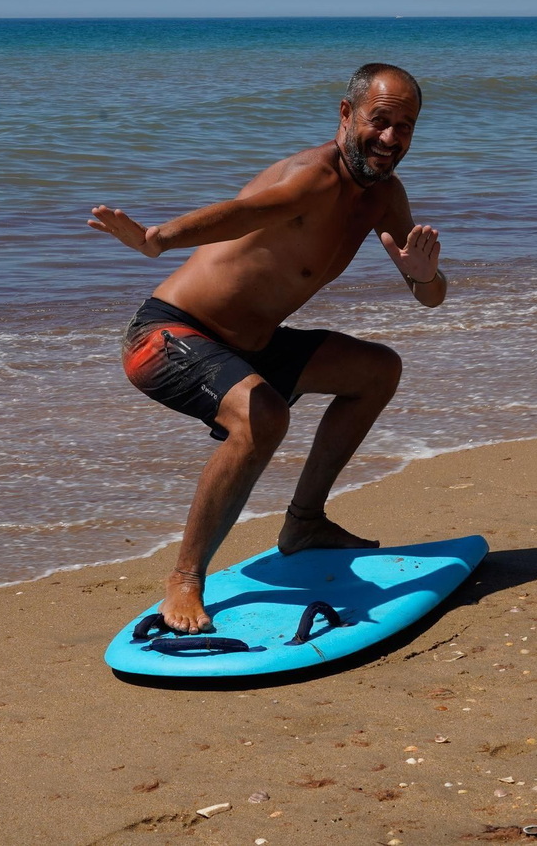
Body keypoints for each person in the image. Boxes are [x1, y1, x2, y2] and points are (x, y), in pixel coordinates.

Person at [89, 63, 447, 633]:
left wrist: (424, 275)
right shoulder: (315, 178)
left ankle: (304, 523)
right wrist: (158, 239)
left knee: (378, 370)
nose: (391, 138)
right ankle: (184, 579)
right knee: (263, 416)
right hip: (167, 336)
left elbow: (430, 296)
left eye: (405, 127)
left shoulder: (384, 197)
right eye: (380, 121)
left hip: (251, 346)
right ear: (347, 114)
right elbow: (242, 215)